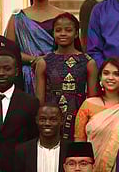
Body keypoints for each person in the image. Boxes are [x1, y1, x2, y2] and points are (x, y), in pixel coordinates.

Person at [73, 58, 119, 172]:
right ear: (100, 78)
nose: (111, 77)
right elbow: (79, 142)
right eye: (106, 73)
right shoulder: (88, 105)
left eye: (116, 74)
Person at [34, 12, 98, 140]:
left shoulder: (88, 62)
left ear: (76, 33)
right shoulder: (44, 62)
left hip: (80, 115)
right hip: (51, 118)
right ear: (53, 33)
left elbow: (93, 99)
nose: (63, 33)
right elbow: (39, 100)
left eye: (68, 30)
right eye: (58, 30)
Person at [5, 0, 64, 93]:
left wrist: (48, 60)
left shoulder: (62, 17)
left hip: (57, 76)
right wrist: (34, 60)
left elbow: (70, 50)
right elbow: (9, 52)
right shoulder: (17, 18)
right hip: (25, 79)